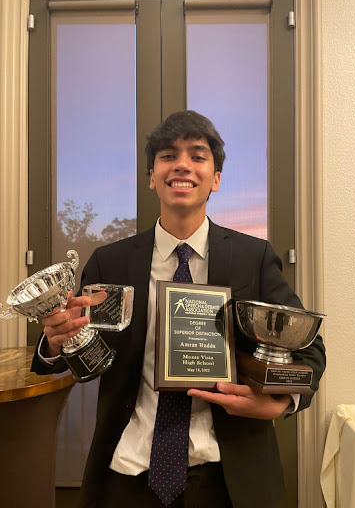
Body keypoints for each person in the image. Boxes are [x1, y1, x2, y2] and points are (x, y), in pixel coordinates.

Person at [32, 110, 326, 508]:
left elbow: (310, 351)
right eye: (168, 155)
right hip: (128, 471)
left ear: (216, 179)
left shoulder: (253, 258)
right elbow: (74, 353)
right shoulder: (110, 262)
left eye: (198, 155)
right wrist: (54, 342)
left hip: (230, 477)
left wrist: (277, 403)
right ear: (152, 176)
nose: (182, 164)